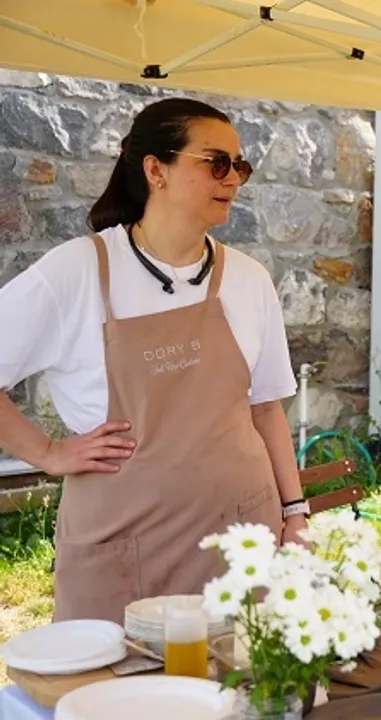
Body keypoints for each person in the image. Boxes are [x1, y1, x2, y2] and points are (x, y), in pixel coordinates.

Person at [0, 98, 305, 623]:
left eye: (240, 165)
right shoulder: (79, 271)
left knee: (238, 674)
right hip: (124, 548)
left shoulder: (249, 279)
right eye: (216, 162)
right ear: (155, 170)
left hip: (242, 542)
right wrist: (47, 452)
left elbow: (265, 409)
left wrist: (295, 514)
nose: (233, 178)